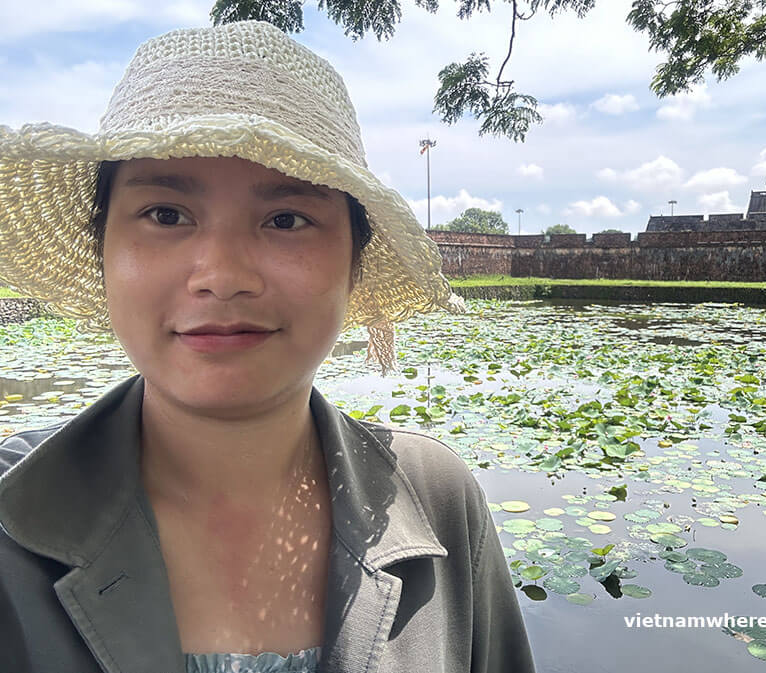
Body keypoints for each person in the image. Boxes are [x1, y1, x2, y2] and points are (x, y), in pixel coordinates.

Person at [0, 20, 535, 673]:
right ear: (102, 247)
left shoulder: (438, 502)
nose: (222, 276)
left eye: (286, 219)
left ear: (354, 262)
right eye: (165, 214)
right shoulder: (10, 521)